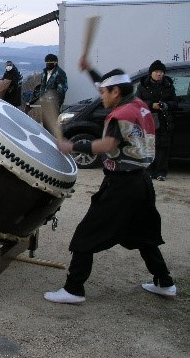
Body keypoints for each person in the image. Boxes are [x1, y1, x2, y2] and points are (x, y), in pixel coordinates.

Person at [44, 59, 176, 304]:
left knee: (86, 235)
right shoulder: (137, 104)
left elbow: (106, 146)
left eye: (104, 92)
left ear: (116, 92)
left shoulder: (120, 116)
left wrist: (70, 145)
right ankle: (164, 282)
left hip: (121, 187)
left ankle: (74, 289)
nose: (101, 96)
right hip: (142, 183)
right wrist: (88, 68)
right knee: (143, 235)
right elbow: (106, 85)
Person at [135, 60, 177, 181]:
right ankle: (148, 171)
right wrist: (151, 105)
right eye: (157, 71)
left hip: (164, 120)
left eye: (161, 72)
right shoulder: (143, 86)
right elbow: (137, 103)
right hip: (147, 120)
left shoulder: (168, 85)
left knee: (163, 147)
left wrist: (165, 105)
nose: (159, 74)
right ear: (151, 73)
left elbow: (175, 102)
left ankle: (161, 172)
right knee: (148, 145)